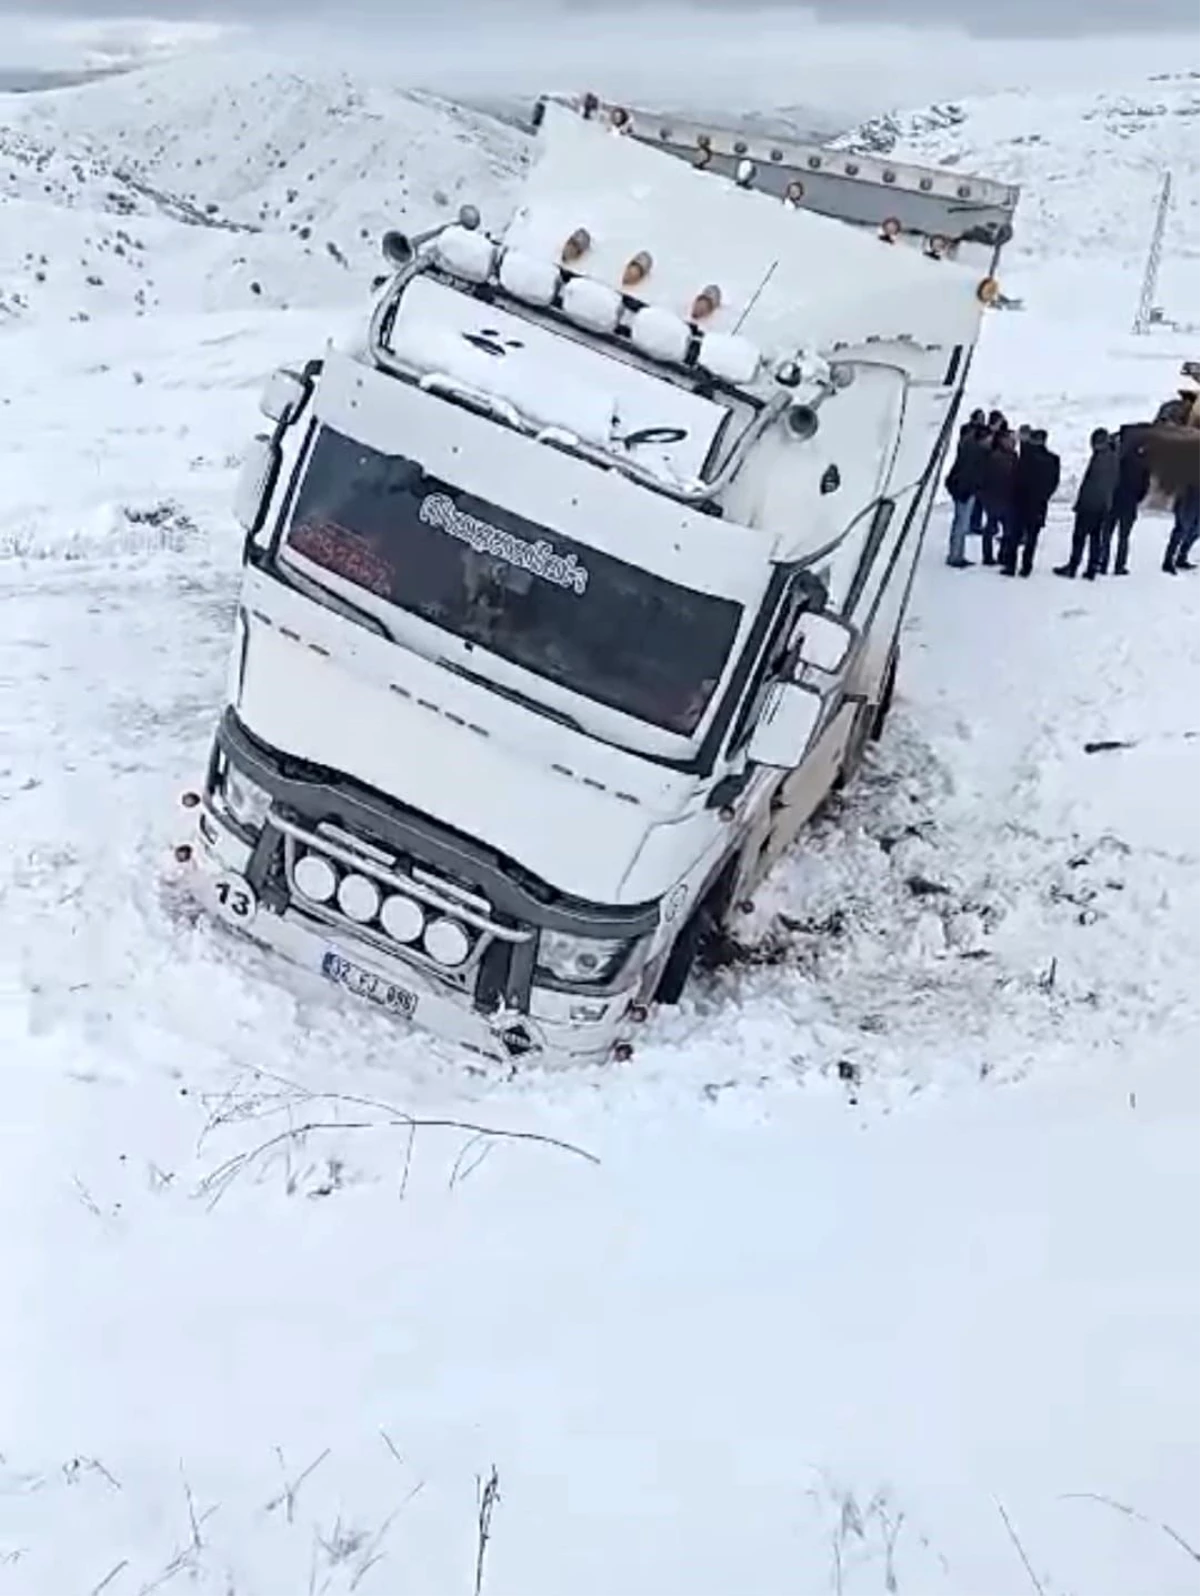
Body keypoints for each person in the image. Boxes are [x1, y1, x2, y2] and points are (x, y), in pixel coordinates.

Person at [1054, 428, 1119, 579]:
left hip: (1090, 505)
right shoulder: (1113, 456)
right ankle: (1091, 568)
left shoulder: (1101, 458)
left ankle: (1073, 566)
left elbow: (1092, 485)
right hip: (1103, 505)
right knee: (1095, 538)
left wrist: (1081, 503)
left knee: (1079, 537)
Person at [1001, 426, 1060, 576]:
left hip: (1021, 502)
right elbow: (1054, 483)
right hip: (1039, 505)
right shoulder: (1053, 459)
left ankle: (1010, 565)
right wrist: (1044, 497)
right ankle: (1026, 567)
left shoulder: (1026, 458)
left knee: (1015, 535)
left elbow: (1016, 479)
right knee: (1032, 537)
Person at [1097, 426, 1151, 575]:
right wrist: (1136, 498)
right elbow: (1145, 486)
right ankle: (1119, 566)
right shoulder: (1142, 461)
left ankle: (1103, 563)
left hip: (1113, 501)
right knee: (1124, 537)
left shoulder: (1116, 457)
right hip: (1130, 503)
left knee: (1106, 534)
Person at [945, 418, 989, 567]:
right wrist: (967, 492)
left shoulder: (969, 449)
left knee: (960, 524)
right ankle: (955, 556)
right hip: (965, 492)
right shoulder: (975, 454)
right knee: (961, 525)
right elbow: (968, 476)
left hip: (962, 491)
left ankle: (958, 554)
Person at [977, 426, 1017, 566]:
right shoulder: (997, 457)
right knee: (997, 528)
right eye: (1010, 440)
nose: (1013, 442)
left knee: (1000, 528)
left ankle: (996, 555)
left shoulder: (1010, 456)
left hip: (1001, 498)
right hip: (998, 498)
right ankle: (993, 555)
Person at [1164, 482, 1200, 573]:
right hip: (1187, 500)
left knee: (1195, 532)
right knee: (1181, 529)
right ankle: (1168, 561)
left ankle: (1181, 557)